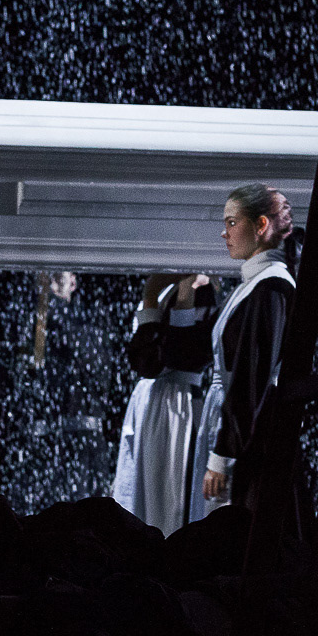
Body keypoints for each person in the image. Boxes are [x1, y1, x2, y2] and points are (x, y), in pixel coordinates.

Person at [158, 183, 298, 525]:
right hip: (235, 421)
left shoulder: (270, 287)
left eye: (232, 222)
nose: (225, 233)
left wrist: (223, 454)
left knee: (234, 524)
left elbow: (251, 379)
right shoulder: (255, 284)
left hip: (249, 431)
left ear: (261, 225)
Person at [110, 273, 215, 535]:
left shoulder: (205, 294)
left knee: (170, 494)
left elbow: (179, 355)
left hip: (177, 406)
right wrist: (152, 295)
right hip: (153, 402)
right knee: (142, 492)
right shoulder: (166, 288)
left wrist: (174, 296)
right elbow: (145, 361)